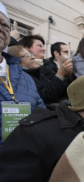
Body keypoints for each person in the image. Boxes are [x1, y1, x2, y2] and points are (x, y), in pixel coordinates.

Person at [0, 8, 45, 145]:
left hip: (27, 158)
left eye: (5, 25)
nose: (1, 28)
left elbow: (42, 115)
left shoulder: (26, 78)